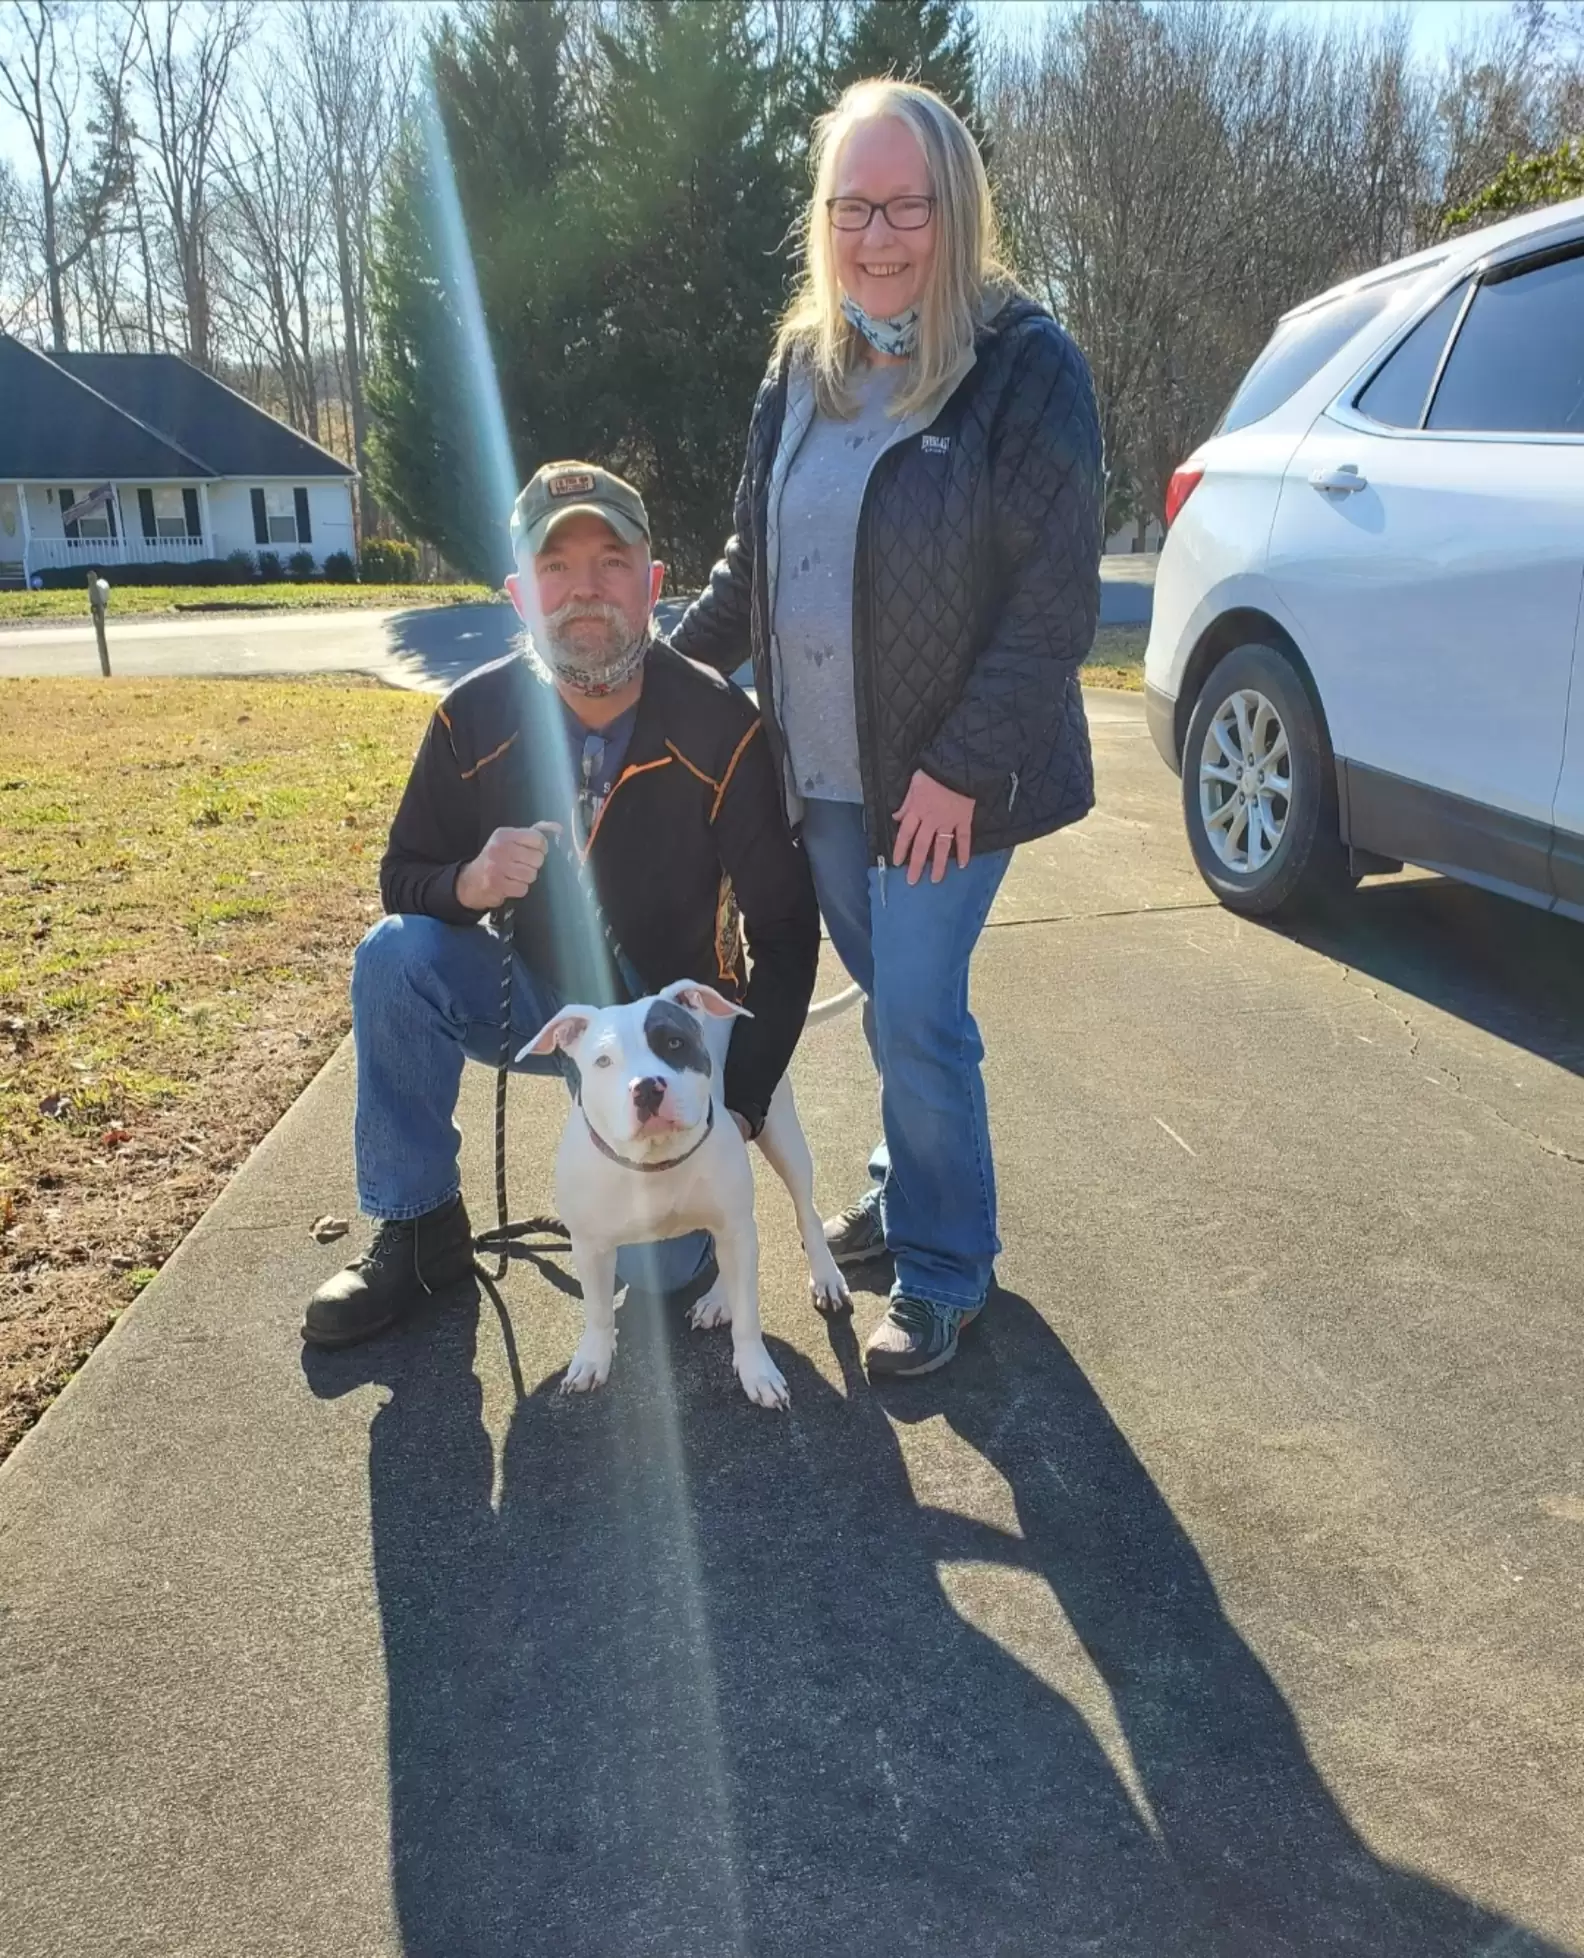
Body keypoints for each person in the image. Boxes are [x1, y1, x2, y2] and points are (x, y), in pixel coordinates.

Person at [670, 79, 1104, 1379]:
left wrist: (962, 767)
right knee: (888, 1009)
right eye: (850, 205)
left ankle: (946, 1265)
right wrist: (653, 683)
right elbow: (751, 565)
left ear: (953, 208)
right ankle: (903, 1182)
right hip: (826, 772)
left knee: (915, 1008)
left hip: (950, 779)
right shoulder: (805, 363)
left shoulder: (1026, 365)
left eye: (903, 204)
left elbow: (1055, 598)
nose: (874, 233)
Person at [304, 462, 820, 1348]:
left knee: (656, 1281)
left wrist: (733, 1108)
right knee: (392, 958)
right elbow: (403, 877)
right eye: (555, 567)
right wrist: (467, 883)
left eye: (612, 561)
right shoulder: (471, 718)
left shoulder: (718, 722)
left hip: (669, 1029)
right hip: (546, 1005)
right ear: (518, 594)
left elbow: (783, 930)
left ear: (654, 584)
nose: (585, 590)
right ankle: (418, 1225)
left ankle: (676, 1210)